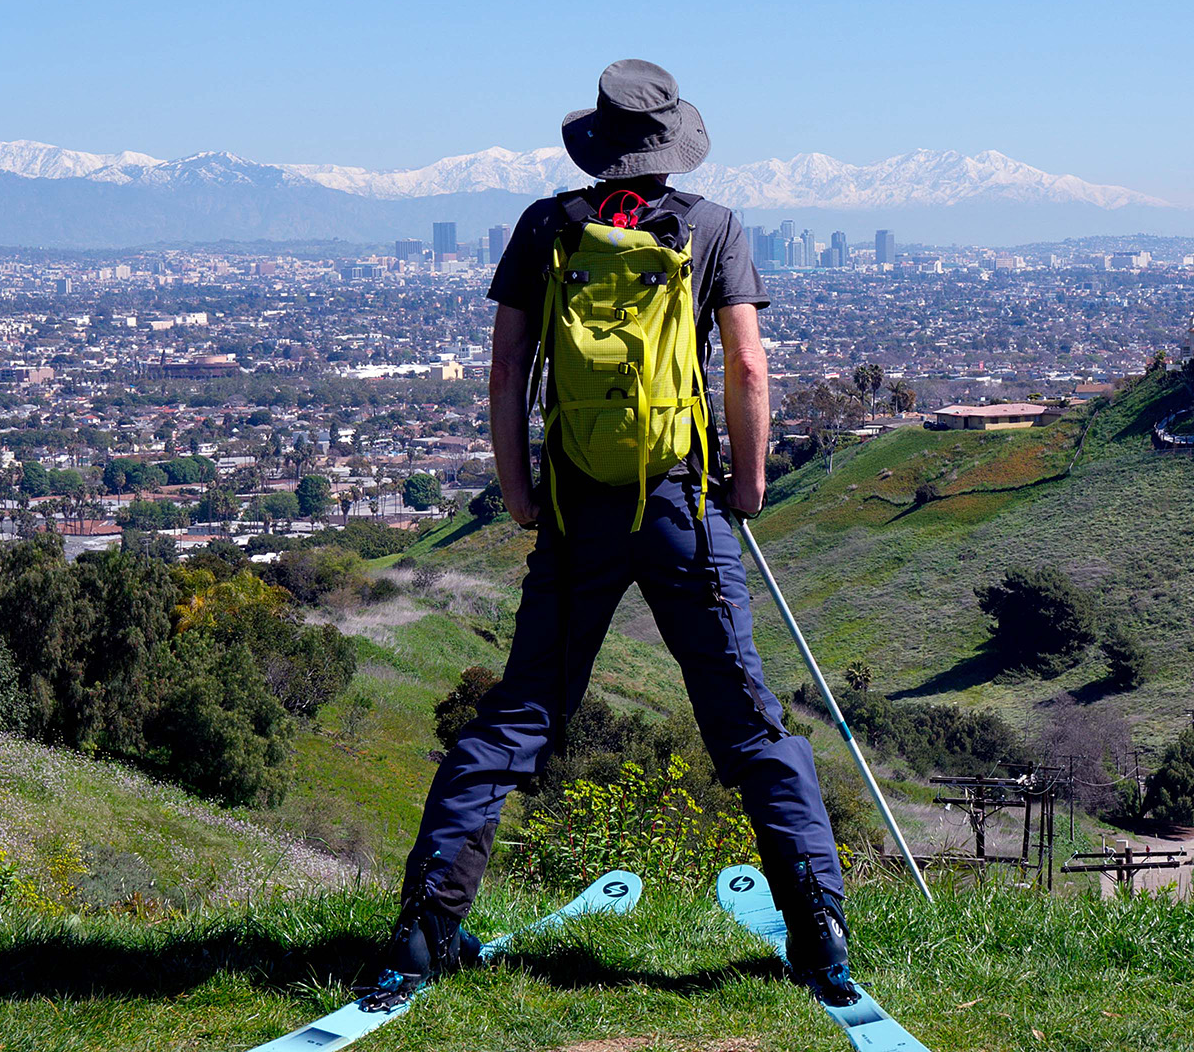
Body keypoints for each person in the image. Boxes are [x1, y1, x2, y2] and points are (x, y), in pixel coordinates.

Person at [363, 59, 854, 1008]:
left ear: (597, 141)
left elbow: (507, 374)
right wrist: (745, 488)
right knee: (749, 726)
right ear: (674, 144)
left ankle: (424, 931)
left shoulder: (549, 227)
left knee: (517, 719)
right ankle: (820, 930)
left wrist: (519, 494)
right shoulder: (711, 228)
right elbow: (749, 369)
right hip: (685, 507)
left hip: (579, 510)